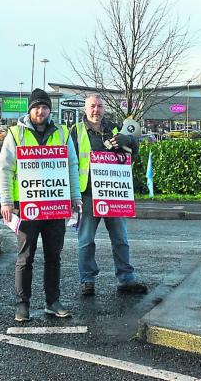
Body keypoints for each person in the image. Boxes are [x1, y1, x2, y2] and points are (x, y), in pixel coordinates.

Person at [0, 88, 82, 322]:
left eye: (44, 107)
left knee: (54, 256)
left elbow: (71, 167)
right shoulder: (15, 134)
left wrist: (75, 197)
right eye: (36, 107)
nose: (41, 111)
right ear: (30, 110)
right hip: (26, 206)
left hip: (56, 205)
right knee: (25, 257)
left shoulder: (63, 133)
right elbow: (5, 169)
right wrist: (6, 201)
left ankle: (52, 302)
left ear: (49, 110)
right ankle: (22, 304)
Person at [70, 93, 147, 296]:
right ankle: (87, 280)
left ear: (104, 109)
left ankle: (126, 279)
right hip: (87, 194)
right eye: (92, 106)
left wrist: (128, 139)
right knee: (86, 241)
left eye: (100, 106)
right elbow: (68, 162)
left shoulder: (113, 128)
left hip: (113, 194)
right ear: (85, 110)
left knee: (120, 238)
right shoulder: (75, 131)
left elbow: (134, 151)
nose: (96, 110)